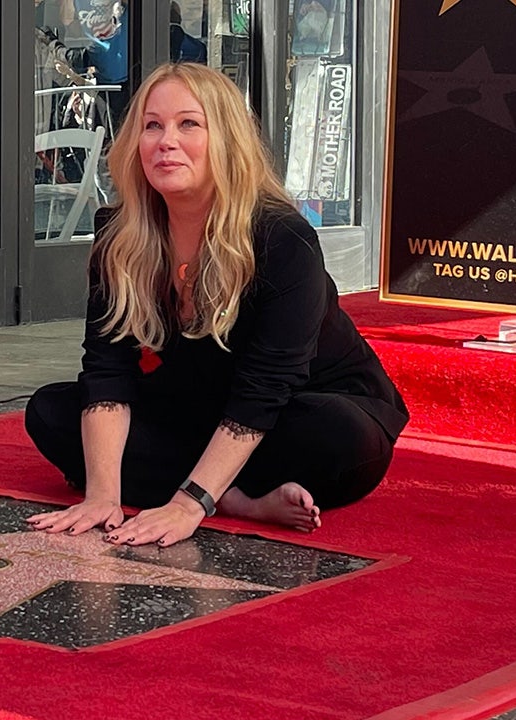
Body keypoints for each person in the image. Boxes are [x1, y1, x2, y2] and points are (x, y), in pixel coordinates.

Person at [24, 63, 408, 548]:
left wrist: (188, 507)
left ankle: (196, 488)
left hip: (297, 409)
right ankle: (235, 499)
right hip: (195, 409)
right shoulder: (118, 237)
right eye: (152, 125)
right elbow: (106, 370)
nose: (166, 140)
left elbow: (267, 388)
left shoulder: (282, 237)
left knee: (340, 434)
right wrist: (103, 494)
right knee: (50, 412)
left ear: (226, 139)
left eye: (189, 124)